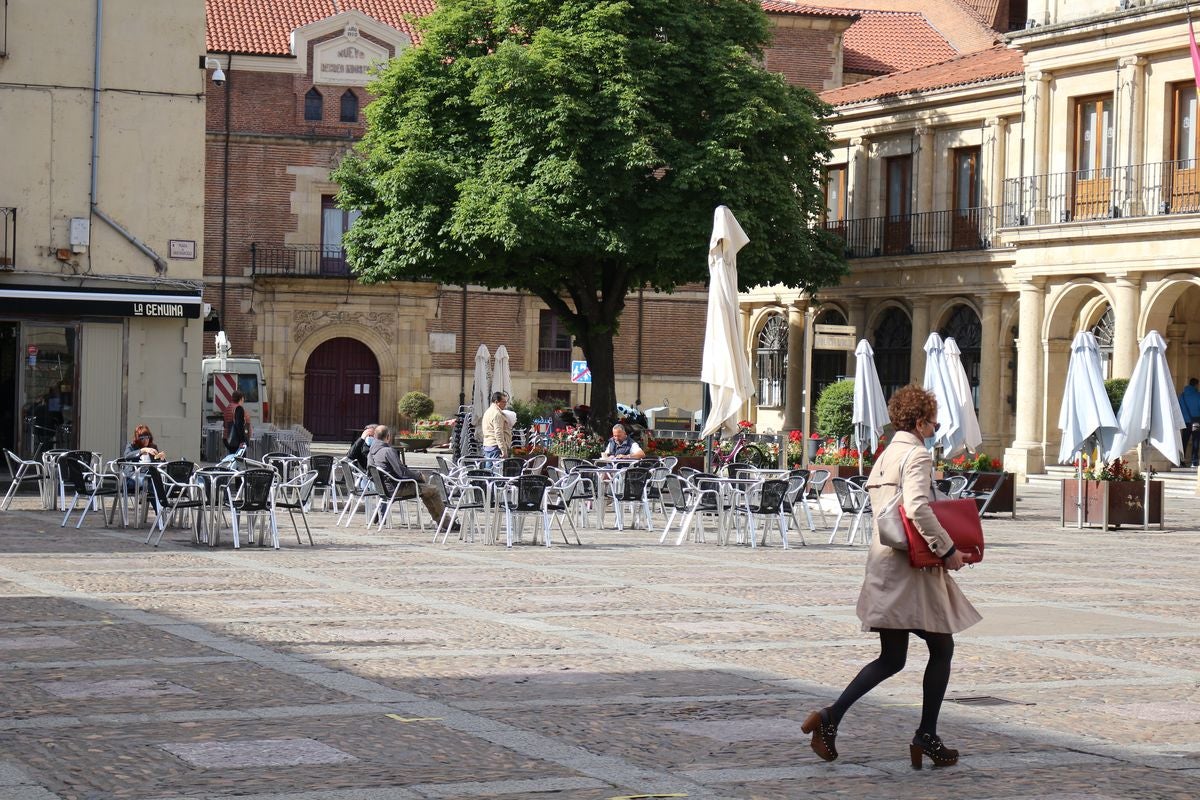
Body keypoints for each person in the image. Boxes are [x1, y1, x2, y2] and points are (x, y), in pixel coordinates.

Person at [802, 384, 980, 769]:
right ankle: (925, 735)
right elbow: (917, 507)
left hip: (885, 561)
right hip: (910, 569)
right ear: (918, 422)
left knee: (893, 657)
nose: (935, 429)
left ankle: (831, 718)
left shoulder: (886, 455)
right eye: (932, 422)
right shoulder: (916, 455)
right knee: (941, 647)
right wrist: (947, 550)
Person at [369, 425, 456, 530]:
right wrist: (418, 476)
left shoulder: (371, 453)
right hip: (396, 488)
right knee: (434, 490)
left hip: (383, 488)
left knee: (427, 490)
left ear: (375, 436)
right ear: (388, 436)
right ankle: (446, 523)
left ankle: (443, 522)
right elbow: (402, 473)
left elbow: (370, 473)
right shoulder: (388, 451)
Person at [481, 391, 512, 460]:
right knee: (496, 470)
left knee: (488, 470)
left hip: (487, 445)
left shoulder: (488, 411)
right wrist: (503, 450)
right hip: (496, 447)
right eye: (503, 402)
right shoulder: (497, 414)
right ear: (496, 402)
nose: (505, 404)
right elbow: (498, 433)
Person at [1179, 378, 1200, 467]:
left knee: (1184, 441)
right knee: (1196, 440)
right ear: (1196, 385)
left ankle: (1181, 461)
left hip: (1185, 422)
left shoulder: (1181, 396)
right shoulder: (1198, 395)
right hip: (1196, 421)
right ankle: (1194, 462)